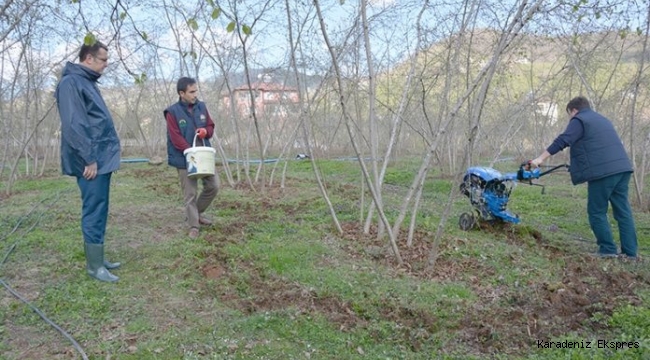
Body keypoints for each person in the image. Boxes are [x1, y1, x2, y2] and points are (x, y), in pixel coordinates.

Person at [531, 96, 638, 259]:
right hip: (622, 169)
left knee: (596, 211)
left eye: (570, 115)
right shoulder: (602, 120)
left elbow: (564, 140)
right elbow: (596, 146)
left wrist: (540, 158)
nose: (570, 118)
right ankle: (630, 253)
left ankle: (607, 249)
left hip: (604, 173)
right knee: (623, 212)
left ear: (574, 110)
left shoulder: (580, 119)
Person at [55, 41, 121, 282]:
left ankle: (98, 257)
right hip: (91, 160)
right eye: (103, 59)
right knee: (93, 209)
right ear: (89, 58)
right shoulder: (71, 82)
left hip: (101, 157)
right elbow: (74, 125)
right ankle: (94, 267)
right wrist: (89, 159)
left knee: (100, 207)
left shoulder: (86, 81)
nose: (106, 64)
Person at [164, 77, 218, 239]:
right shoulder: (172, 112)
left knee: (213, 185)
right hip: (184, 158)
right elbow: (175, 137)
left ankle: (197, 213)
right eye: (192, 92)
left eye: (196, 91)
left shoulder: (201, 107)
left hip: (203, 154)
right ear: (182, 93)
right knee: (190, 193)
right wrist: (189, 152)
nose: (195, 94)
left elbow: (210, 126)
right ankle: (194, 226)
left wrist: (205, 132)